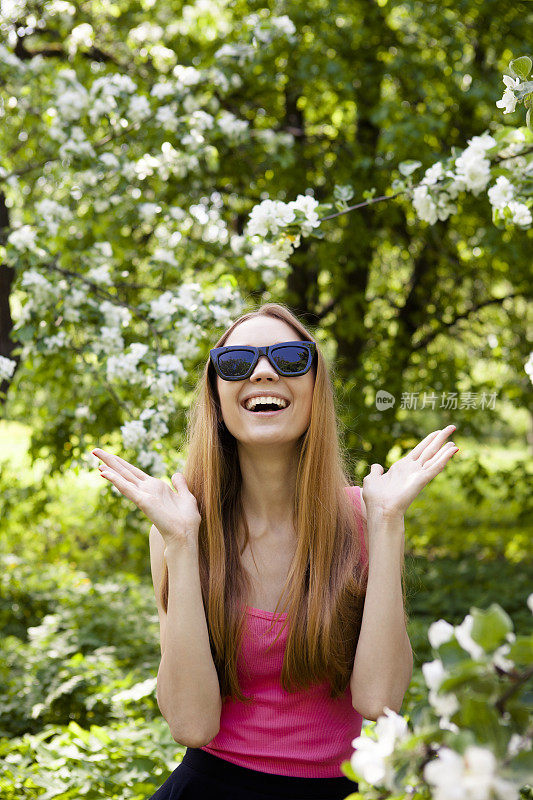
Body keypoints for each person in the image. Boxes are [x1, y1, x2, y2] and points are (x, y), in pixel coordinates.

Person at [92, 302, 458, 800]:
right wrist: (180, 543)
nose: (263, 372)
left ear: (314, 389)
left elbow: (379, 701)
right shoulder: (180, 525)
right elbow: (192, 724)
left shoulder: (368, 518)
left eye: (289, 358)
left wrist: (387, 522)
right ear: (217, 394)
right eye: (238, 363)